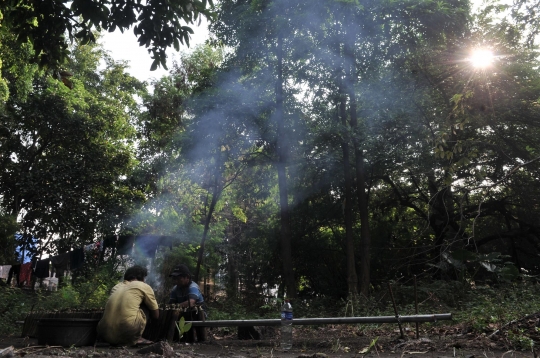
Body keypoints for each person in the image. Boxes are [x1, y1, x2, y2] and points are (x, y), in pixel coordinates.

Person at [97, 265, 159, 346]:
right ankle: (138, 337)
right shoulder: (143, 286)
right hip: (128, 332)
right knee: (146, 305)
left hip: (105, 334)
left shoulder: (116, 286)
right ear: (142, 278)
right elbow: (156, 315)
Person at [169, 264, 206, 342]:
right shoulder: (175, 289)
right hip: (183, 314)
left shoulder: (193, 287)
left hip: (197, 315)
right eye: (175, 278)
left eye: (178, 278)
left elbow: (191, 303)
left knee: (189, 314)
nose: (176, 281)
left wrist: (175, 306)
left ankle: (195, 339)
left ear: (187, 277)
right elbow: (170, 304)